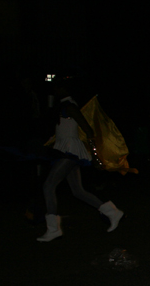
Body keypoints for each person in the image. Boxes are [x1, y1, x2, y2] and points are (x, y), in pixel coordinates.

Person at [37, 78, 124, 242]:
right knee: (78, 191)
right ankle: (113, 212)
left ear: (63, 89)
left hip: (70, 152)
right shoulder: (63, 106)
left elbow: (89, 131)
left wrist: (96, 157)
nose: (55, 91)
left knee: (49, 185)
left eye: (57, 88)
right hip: (66, 150)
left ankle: (53, 228)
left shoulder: (70, 107)